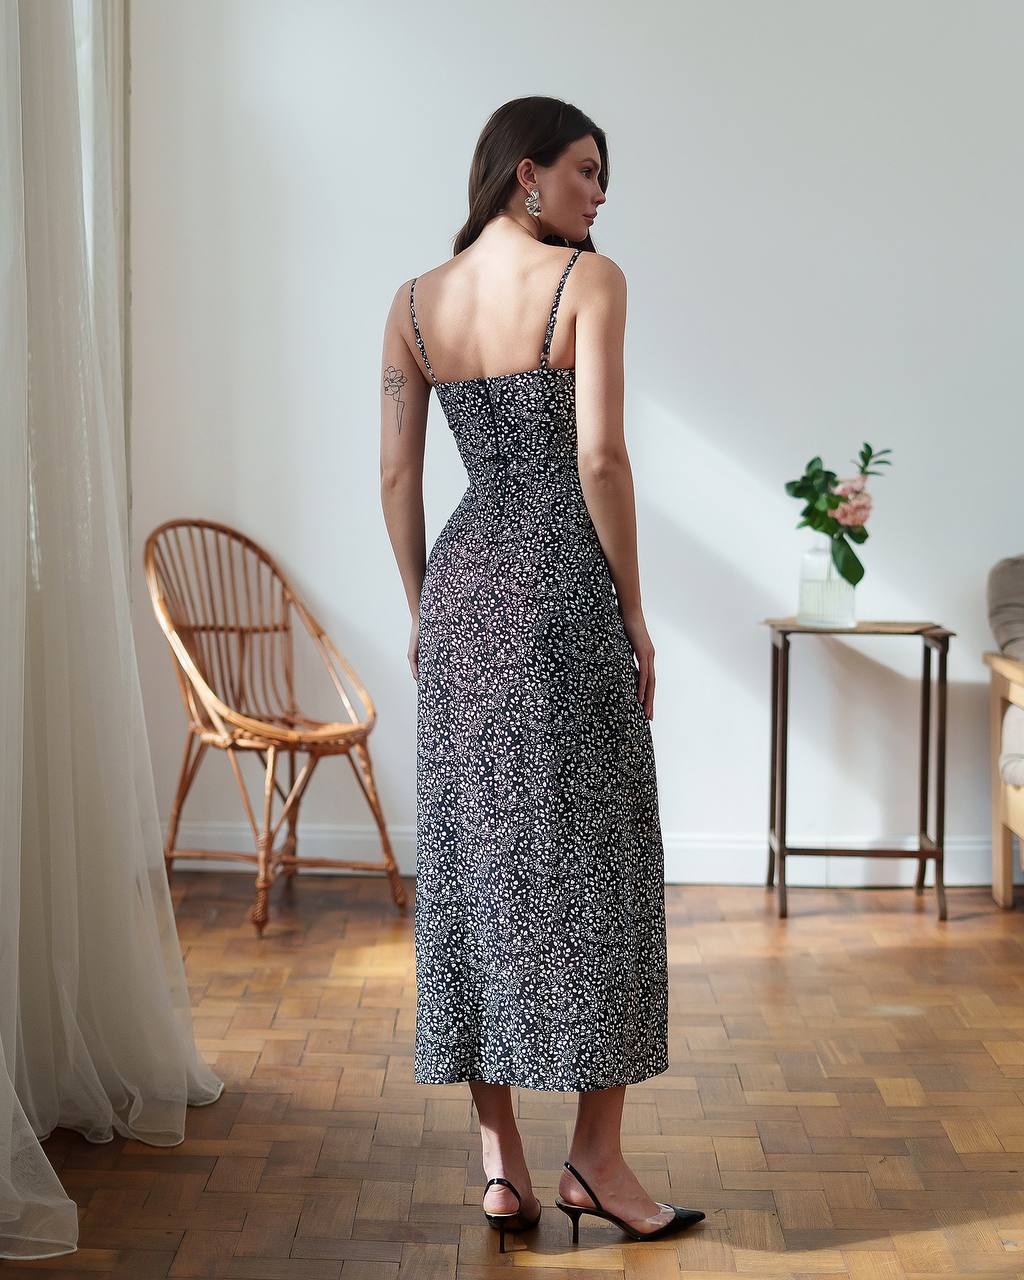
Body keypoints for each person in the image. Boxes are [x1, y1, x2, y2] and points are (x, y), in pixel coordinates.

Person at [379, 96, 704, 1248]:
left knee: (475, 866)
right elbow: (600, 456)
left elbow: (396, 477)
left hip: (464, 591)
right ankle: (596, 1159)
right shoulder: (589, 282)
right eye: (585, 171)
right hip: (563, 589)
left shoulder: (412, 303)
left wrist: (425, 609)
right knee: (603, 861)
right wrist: (635, 613)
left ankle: (501, 1164)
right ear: (527, 173)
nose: (600, 195)